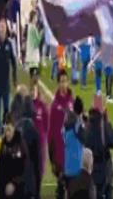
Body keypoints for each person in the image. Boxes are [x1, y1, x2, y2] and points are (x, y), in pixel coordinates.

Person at [85, 95, 113, 199]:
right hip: (104, 168)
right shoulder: (103, 125)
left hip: (90, 170)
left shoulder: (86, 125)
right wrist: (108, 123)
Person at [48, 69, 73, 199]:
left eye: (65, 81)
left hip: (72, 153)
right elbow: (51, 133)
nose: (64, 84)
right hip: (60, 154)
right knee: (62, 188)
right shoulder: (54, 106)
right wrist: (52, 158)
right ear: (58, 84)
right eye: (61, 82)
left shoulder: (72, 102)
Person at [11, 92, 41, 198]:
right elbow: (37, 165)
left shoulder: (15, 129)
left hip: (16, 183)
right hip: (29, 184)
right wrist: (37, 193)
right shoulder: (33, 132)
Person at [0, 113, 27, 199]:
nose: (7, 133)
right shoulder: (3, 144)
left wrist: (14, 183)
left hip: (18, 192)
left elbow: (25, 170)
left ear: (14, 128)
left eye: (9, 130)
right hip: (4, 190)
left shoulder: (20, 145)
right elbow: (0, 169)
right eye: (5, 130)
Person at [62, 103, 85, 192]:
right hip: (77, 169)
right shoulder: (76, 127)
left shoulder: (64, 130)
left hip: (67, 169)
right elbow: (85, 137)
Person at [31, 77, 49, 187]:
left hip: (40, 138)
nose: (33, 92)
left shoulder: (42, 106)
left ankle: (39, 180)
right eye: (32, 90)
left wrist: (43, 135)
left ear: (38, 91)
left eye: (35, 90)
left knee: (41, 161)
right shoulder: (28, 105)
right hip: (30, 139)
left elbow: (46, 122)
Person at [25, 11, 43, 78]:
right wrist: (41, 33)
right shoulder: (33, 28)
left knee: (31, 75)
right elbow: (38, 41)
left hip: (30, 54)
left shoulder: (30, 26)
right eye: (36, 17)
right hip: (34, 55)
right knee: (35, 76)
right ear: (33, 17)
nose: (37, 19)